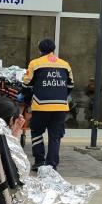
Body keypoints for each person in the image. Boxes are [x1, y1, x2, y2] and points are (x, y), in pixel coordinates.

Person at [23, 39, 73, 171]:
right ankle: (51, 165)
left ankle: (39, 162)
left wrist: (26, 96)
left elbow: (26, 84)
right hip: (60, 107)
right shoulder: (65, 65)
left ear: (40, 50)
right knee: (55, 136)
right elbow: (70, 86)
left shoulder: (35, 63)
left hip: (41, 106)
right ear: (53, 49)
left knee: (37, 133)